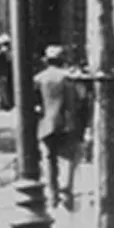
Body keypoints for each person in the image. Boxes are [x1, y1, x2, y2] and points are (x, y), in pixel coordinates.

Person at [34, 45, 88, 210]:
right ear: (63, 60)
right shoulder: (68, 78)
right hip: (66, 124)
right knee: (70, 158)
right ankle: (66, 189)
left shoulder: (38, 78)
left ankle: (52, 194)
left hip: (46, 124)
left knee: (49, 159)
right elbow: (76, 102)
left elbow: (35, 104)